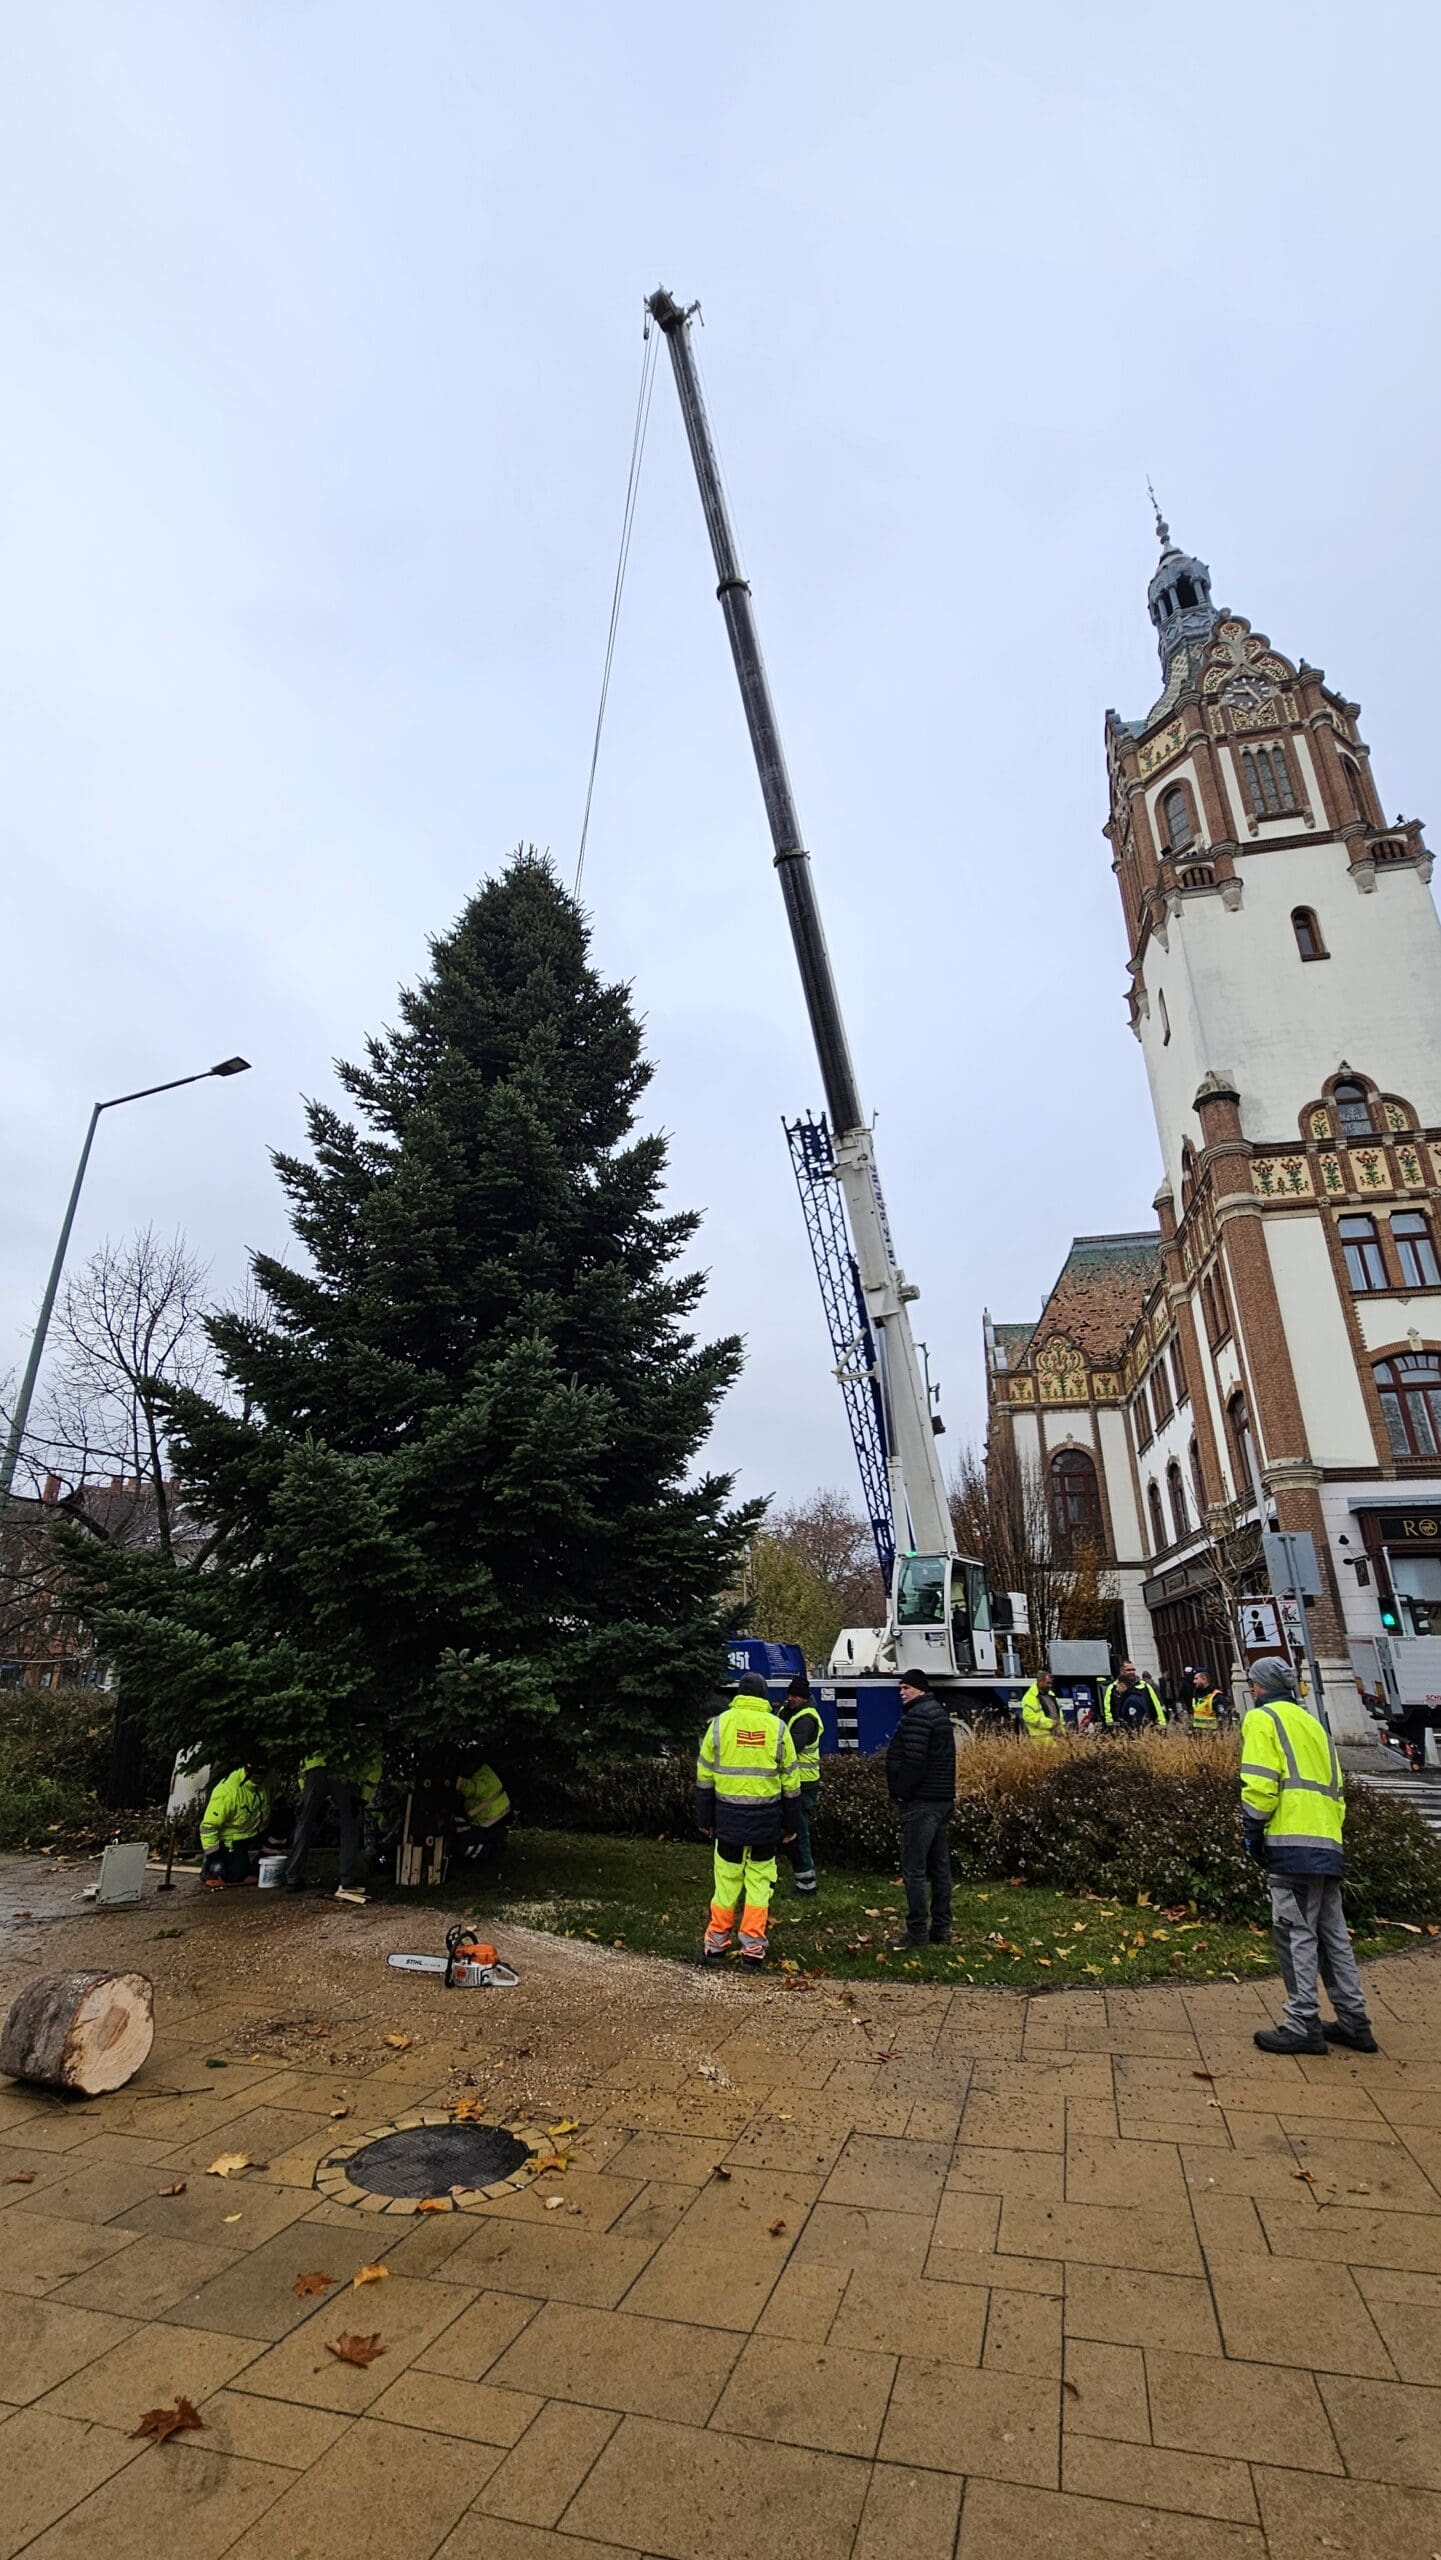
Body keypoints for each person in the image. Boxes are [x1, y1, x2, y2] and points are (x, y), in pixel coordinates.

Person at [1241, 1655, 1378, 2056]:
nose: (1251, 1690)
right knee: (1333, 1937)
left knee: (1294, 1934)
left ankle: (1302, 2023)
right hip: (1326, 1841)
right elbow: (1336, 1786)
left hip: (1290, 1843)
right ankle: (1354, 2021)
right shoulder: (1312, 1723)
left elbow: (1260, 1785)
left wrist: (1253, 1832)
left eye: (1253, 1684)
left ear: (1260, 1687)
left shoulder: (1262, 1719)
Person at [695, 1673, 800, 1966]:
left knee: (726, 1882)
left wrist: (705, 1819)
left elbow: (704, 1777)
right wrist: (791, 1825)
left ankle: (716, 1944)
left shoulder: (719, 1725)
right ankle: (753, 1948)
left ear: (738, 1695)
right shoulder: (778, 1728)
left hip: (728, 1820)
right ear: (764, 1695)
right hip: (766, 1824)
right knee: (759, 1883)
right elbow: (791, 1783)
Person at [885, 1667, 955, 1948]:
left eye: (906, 1688)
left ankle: (916, 1932)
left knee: (914, 1870)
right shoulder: (938, 1713)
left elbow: (913, 1762)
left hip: (921, 1803)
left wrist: (900, 1791)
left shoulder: (918, 1717)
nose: (901, 1692)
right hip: (941, 1800)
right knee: (939, 1869)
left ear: (919, 1689)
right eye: (901, 1687)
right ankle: (942, 1929)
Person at [286, 1743, 382, 1905]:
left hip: (314, 1769)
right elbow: (374, 1767)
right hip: (346, 1770)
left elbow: (303, 1756)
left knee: (304, 1823)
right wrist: (363, 1798)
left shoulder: (317, 1732)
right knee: (350, 1825)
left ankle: (293, 1877)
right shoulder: (366, 1732)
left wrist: (305, 1792)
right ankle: (347, 1879)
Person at [199, 1758, 270, 1887]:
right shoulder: (227, 1793)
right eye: (255, 1775)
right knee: (235, 1875)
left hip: (254, 1830)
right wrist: (214, 1857)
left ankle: (263, 1861)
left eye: (261, 1775)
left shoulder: (269, 1780)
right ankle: (210, 1867)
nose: (259, 1779)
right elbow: (208, 1827)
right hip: (231, 1838)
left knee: (284, 1821)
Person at [781, 1676, 823, 1895]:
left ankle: (806, 1885)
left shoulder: (807, 1719)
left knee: (799, 1834)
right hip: (791, 1781)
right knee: (791, 1832)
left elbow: (790, 1748)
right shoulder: (786, 1711)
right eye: (789, 1694)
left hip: (803, 1784)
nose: (791, 1698)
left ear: (804, 1698)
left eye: (795, 1696)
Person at [453, 1762, 512, 1871]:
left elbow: (473, 1789)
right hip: (496, 1820)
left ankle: (488, 1854)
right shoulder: (485, 1773)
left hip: (492, 1821)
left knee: (462, 1843)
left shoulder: (482, 1777)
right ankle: (490, 1853)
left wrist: (457, 1781)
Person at [1102, 1661, 1167, 1734]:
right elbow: (1107, 1708)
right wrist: (1111, 1725)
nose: (1131, 1672)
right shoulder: (1113, 1688)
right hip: (1122, 1729)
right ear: (1121, 1671)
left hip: (1145, 1727)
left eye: (1133, 1669)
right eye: (1128, 1670)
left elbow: (1156, 1705)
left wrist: (1161, 1723)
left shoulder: (1145, 1686)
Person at [1018, 1670, 1060, 1744]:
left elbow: (1058, 1714)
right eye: (1048, 1683)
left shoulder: (1051, 1695)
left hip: (1055, 1738)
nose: (1050, 1685)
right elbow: (1029, 1717)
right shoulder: (1030, 1697)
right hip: (1040, 1741)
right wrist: (1050, 1723)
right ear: (1040, 1682)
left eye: (1051, 1683)